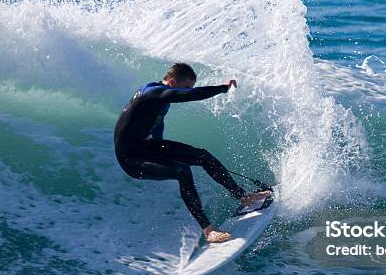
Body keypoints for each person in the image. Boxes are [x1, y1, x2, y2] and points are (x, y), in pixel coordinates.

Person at [114, 62, 270, 243]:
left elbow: (157, 121)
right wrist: (223, 88)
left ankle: (243, 197)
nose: (186, 92)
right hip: (130, 159)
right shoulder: (153, 93)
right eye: (185, 88)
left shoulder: (160, 99)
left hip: (146, 147)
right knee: (182, 171)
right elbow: (191, 96)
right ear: (172, 82)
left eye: (189, 88)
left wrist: (161, 148)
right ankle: (208, 230)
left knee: (203, 156)